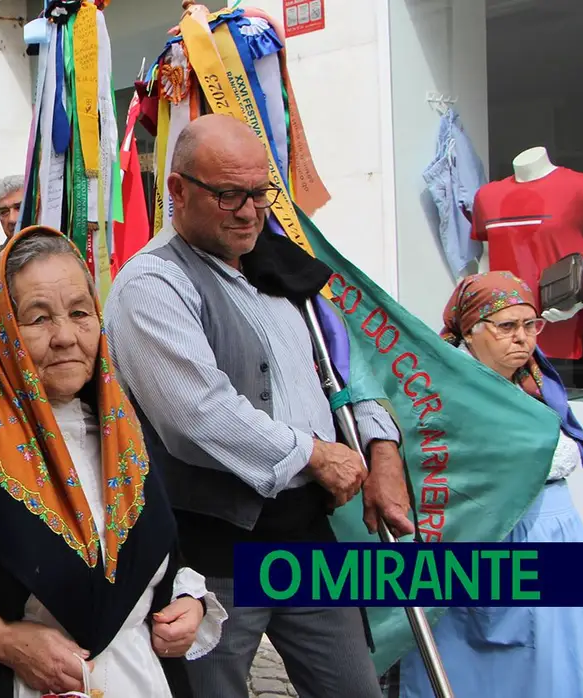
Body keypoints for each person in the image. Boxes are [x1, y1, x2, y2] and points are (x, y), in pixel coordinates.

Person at [104, 114, 412, 698]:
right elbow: (198, 416)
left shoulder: (281, 268)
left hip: (304, 534)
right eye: (228, 195)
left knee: (354, 688)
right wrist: (315, 453)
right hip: (212, 550)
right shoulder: (152, 283)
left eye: (260, 192)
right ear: (177, 191)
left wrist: (381, 448)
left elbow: (344, 371)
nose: (249, 211)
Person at [0, 227, 226, 697]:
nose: (66, 337)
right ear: (0, 329)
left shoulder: (123, 436)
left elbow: (159, 556)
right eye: (38, 318)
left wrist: (185, 602)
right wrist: (3, 641)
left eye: (79, 312)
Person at [396, 271, 583, 698]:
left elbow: (568, 453)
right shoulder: (437, 394)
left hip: (554, 537)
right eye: (507, 326)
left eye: (531, 325)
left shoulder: (539, 384)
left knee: (555, 670)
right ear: (471, 330)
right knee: (466, 666)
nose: (522, 338)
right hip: (477, 541)